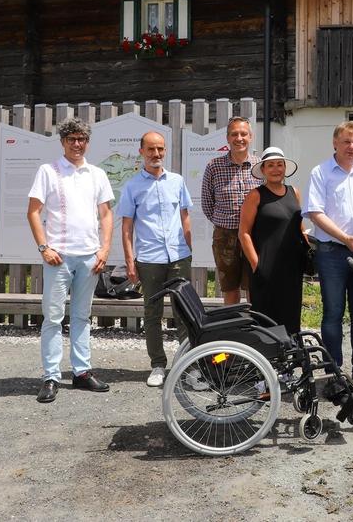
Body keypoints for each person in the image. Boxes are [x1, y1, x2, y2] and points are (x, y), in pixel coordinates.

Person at [27, 117, 114, 403]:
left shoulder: (97, 173)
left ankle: (81, 372)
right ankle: (51, 376)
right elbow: (33, 211)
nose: (77, 144)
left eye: (82, 139)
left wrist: (104, 250)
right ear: (63, 141)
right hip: (59, 257)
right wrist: (44, 247)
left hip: (89, 256)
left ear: (88, 142)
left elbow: (106, 214)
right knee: (53, 317)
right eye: (72, 139)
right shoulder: (48, 171)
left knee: (82, 316)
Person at [303, 121, 353, 388]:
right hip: (331, 253)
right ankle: (333, 372)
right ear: (335, 142)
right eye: (346, 141)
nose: (351, 146)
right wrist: (345, 238)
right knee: (333, 313)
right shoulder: (320, 172)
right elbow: (315, 213)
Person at [118, 131, 193, 388]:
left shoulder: (177, 181)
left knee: (185, 313)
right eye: (151, 149)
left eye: (160, 148)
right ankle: (158, 365)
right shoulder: (132, 186)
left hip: (178, 256)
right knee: (153, 313)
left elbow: (184, 216)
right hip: (149, 259)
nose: (156, 154)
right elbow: (127, 227)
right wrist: (130, 261)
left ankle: (188, 366)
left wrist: (188, 248)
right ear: (141, 152)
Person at [238, 147, 305, 334]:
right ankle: (265, 352)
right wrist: (256, 265)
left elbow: (300, 226)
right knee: (265, 315)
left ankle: (291, 349)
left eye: (279, 164)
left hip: (292, 266)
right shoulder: (255, 195)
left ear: (285, 168)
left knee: (291, 313)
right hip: (265, 267)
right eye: (271, 165)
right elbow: (244, 233)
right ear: (263, 170)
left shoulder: (295, 192)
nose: (276, 169)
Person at [201, 116, 260, 305]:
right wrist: (224, 222)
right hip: (225, 237)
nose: (239, 138)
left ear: (250, 137)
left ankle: (254, 322)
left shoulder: (260, 166)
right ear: (227, 138)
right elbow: (207, 203)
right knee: (230, 288)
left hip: (255, 235)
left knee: (254, 286)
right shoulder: (214, 166)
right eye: (234, 134)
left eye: (243, 134)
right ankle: (232, 323)